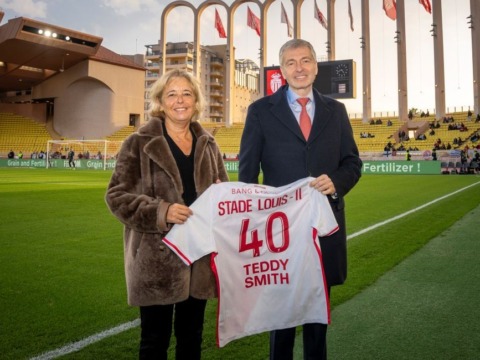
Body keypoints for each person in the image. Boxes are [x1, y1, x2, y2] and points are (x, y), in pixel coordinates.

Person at [238, 38, 362, 360]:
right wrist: (254, 227)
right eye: (291, 62)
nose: (299, 68)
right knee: (281, 319)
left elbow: (352, 163)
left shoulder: (336, 111)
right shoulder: (260, 112)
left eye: (305, 60)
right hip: (279, 232)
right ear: (281, 70)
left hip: (324, 228)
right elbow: (248, 176)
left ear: (316, 67)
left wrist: (335, 181)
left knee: (318, 318)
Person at [105, 69, 229, 360]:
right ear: (160, 101)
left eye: (187, 93)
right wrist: (162, 211)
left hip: (198, 259)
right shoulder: (137, 142)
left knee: (191, 340)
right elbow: (116, 196)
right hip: (156, 261)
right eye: (171, 94)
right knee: (154, 342)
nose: (180, 100)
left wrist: (222, 195)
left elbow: (222, 192)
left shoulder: (208, 144)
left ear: (196, 100)